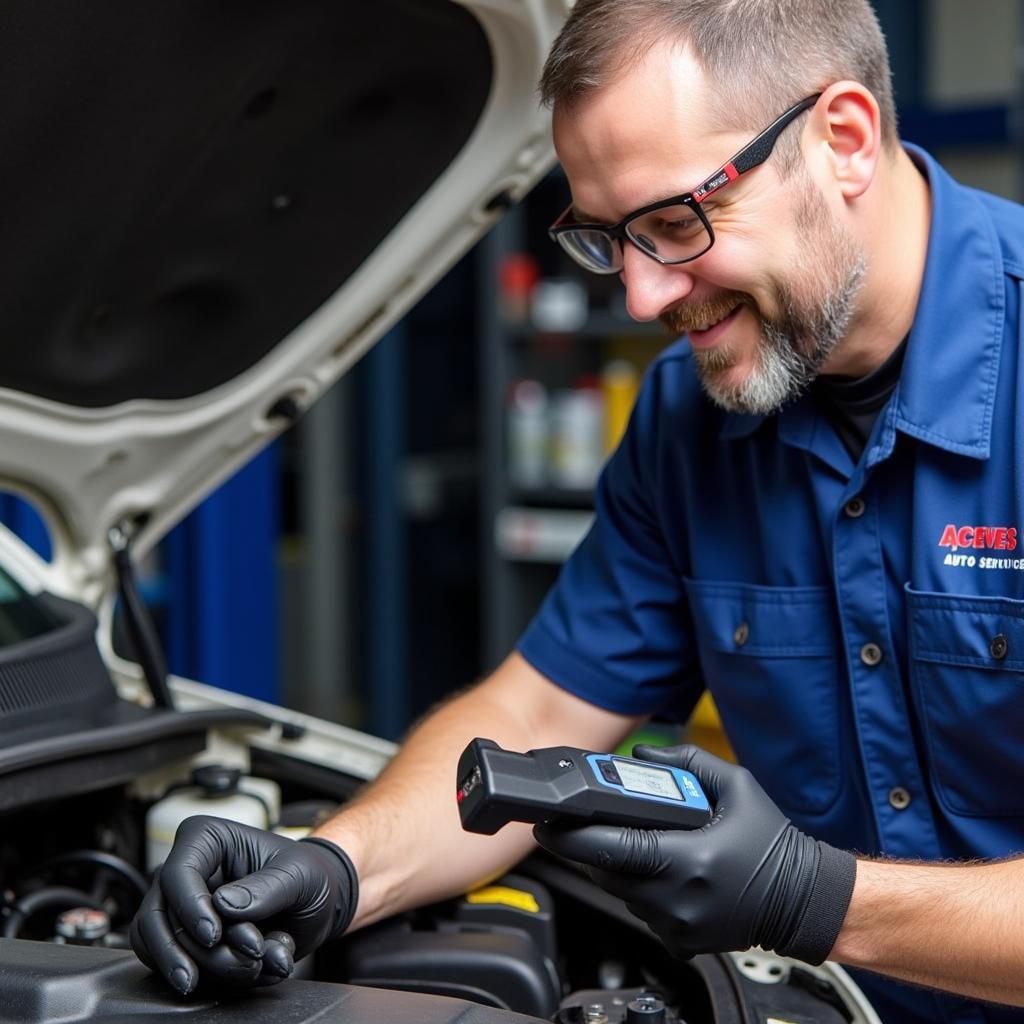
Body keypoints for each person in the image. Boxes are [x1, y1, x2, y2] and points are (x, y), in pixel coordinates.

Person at [130, 1, 1024, 1020]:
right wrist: (335, 869)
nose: (640, 296)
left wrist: (813, 897)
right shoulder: (688, 420)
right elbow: (537, 716)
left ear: (843, 140)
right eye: (605, 239)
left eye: (675, 222)